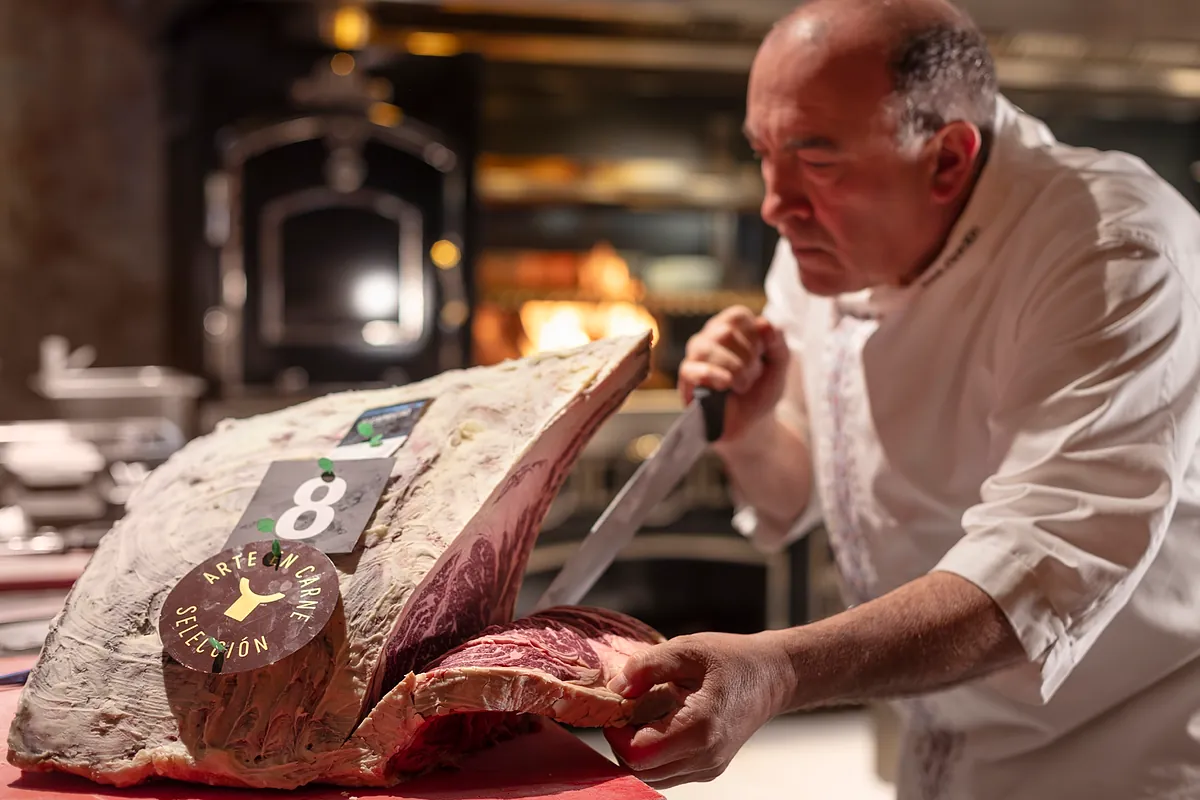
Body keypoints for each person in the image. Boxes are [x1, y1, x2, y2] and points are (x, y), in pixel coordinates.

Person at [602, 1, 1200, 798]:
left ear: (948, 159)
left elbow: (1043, 561)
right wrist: (747, 432)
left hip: (1115, 746)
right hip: (935, 729)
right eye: (763, 154)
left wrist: (779, 671)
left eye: (818, 161)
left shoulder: (1111, 249)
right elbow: (796, 490)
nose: (775, 205)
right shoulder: (826, 238)